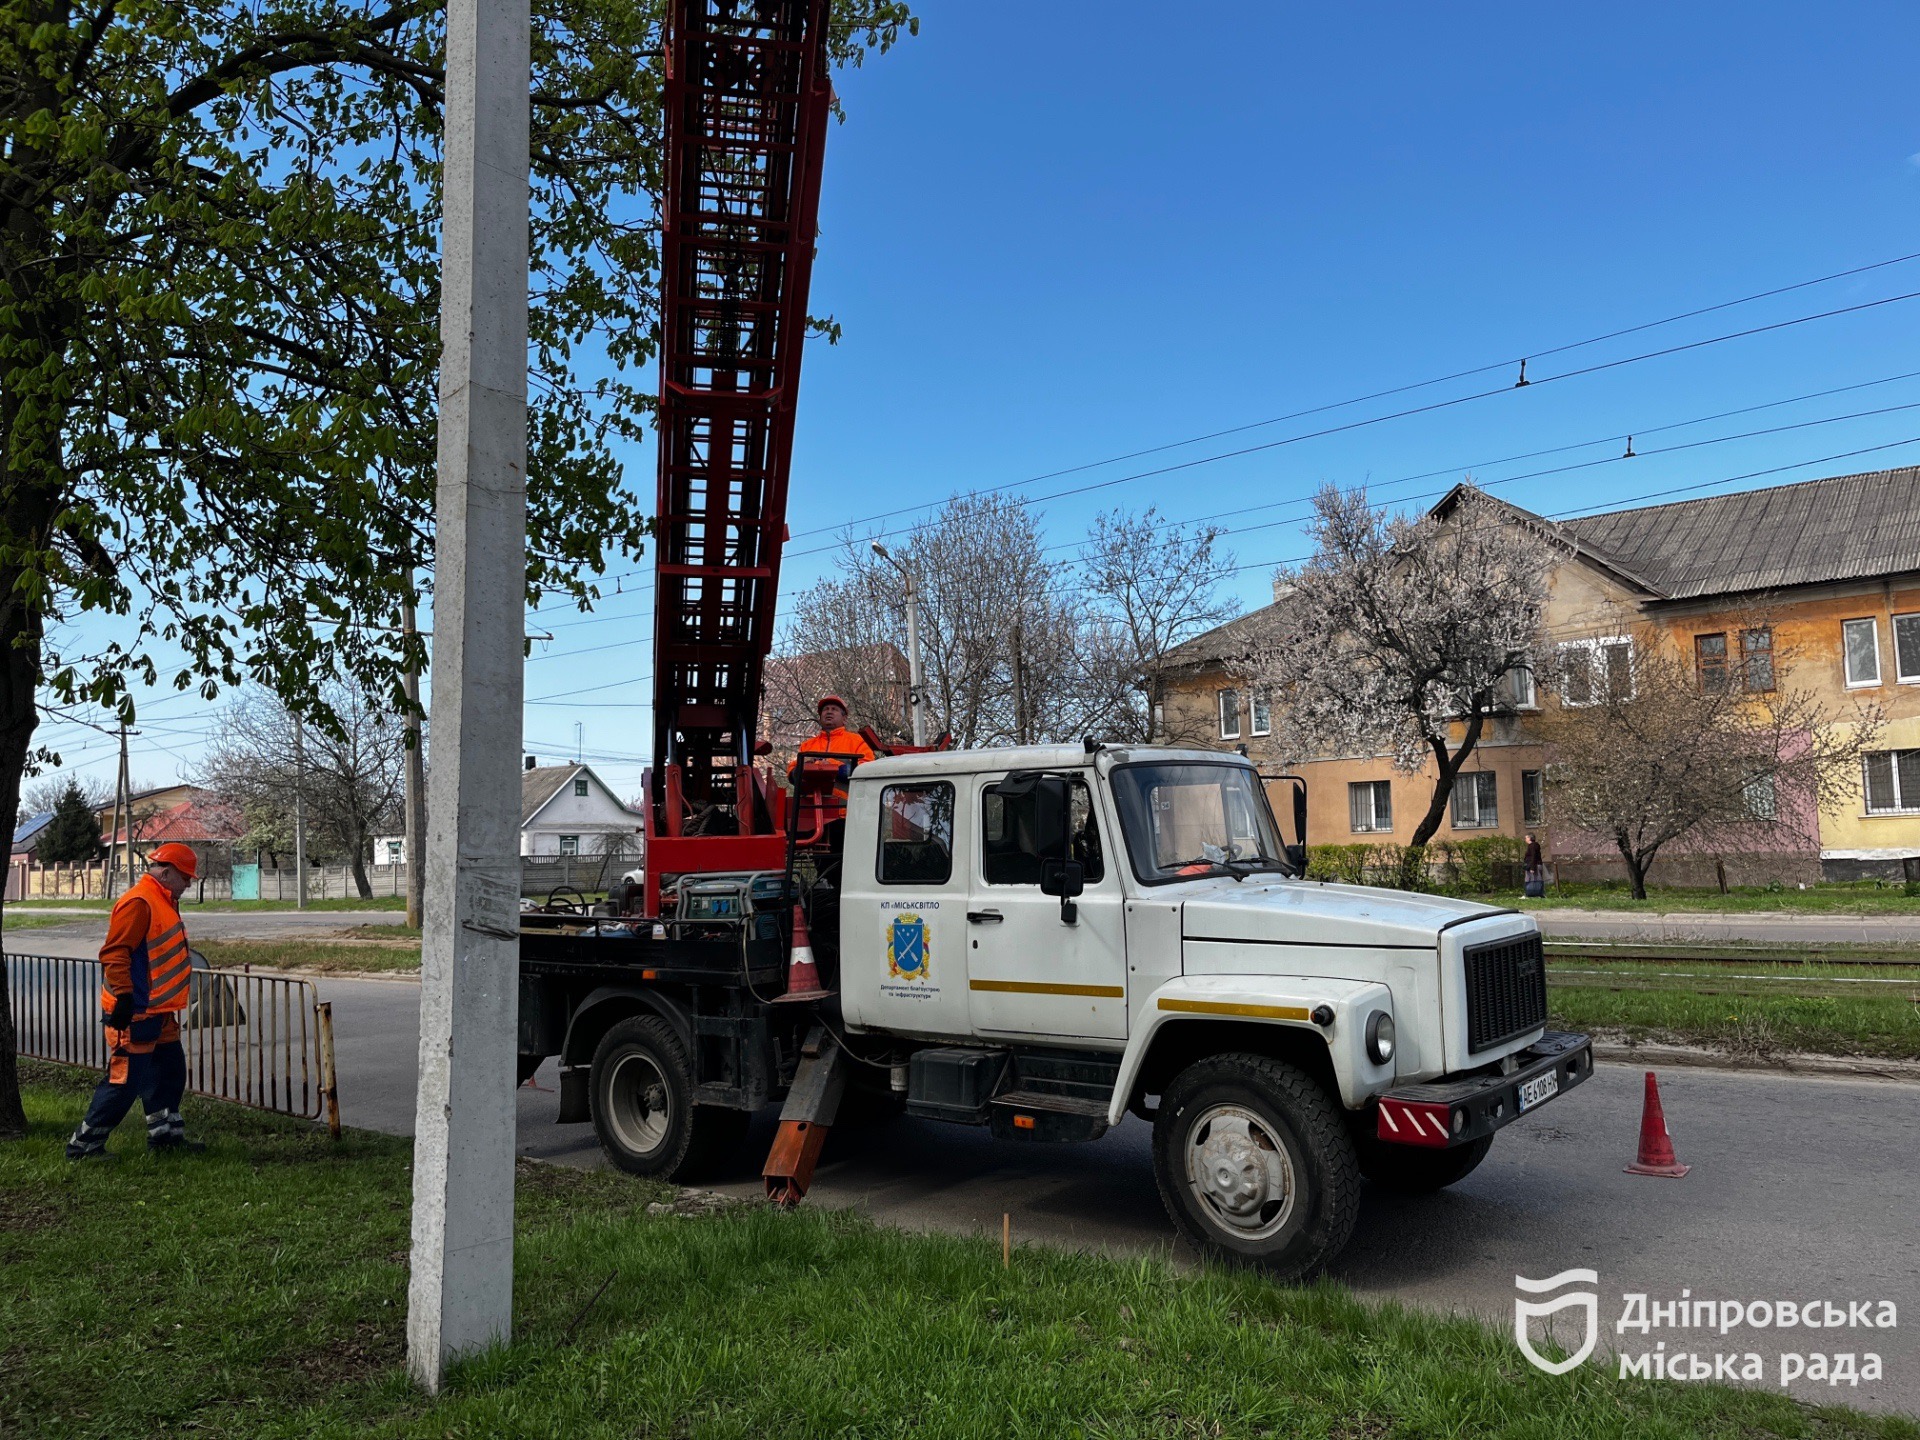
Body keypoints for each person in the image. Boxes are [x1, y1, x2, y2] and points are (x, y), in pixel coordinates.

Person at [67, 843, 205, 1159]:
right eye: (186, 877)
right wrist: (125, 999)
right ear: (167, 872)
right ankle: (84, 1145)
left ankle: (165, 1138)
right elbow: (115, 954)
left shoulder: (162, 900)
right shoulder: (140, 902)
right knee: (124, 1082)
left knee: (170, 1074)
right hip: (135, 1012)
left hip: (159, 1011)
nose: (189, 883)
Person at [1523, 832, 1545, 898]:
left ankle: (1534, 893)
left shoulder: (1533, 846)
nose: (1525, 839)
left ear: (1530, 838)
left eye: (1526, 837)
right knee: (1530, 879)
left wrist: (1532, 867)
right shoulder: (1532, 846)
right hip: (1532, 865)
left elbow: (1533, 856)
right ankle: (1531, 893)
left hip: (1534, 865)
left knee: (1534, 880)